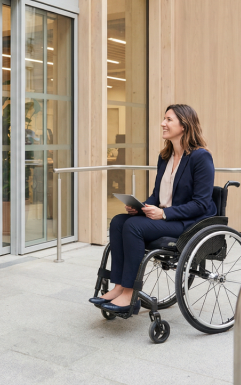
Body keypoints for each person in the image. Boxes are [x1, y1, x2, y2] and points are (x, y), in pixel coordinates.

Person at [90, 104, 216, 314]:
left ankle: (130, 294)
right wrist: (140, 207)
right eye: (164, 119)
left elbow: (201, 204)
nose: (162, 124)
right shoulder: (165, 156)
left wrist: (164, 213)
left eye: (168, 120)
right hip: (166, 218)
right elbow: (157, 196)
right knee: (119, 221)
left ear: (184, 125)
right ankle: (119, 286)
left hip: (188, 223)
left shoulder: (200, 157)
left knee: (133, 227)